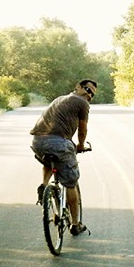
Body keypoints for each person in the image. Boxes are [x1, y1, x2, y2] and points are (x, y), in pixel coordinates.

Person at [30, 79, 97, 235]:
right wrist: (80, 145)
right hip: (59, 142)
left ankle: (45, 184)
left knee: (50, 158)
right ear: (78, 87)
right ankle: (75, 224)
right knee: (70, 182)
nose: (89, 95)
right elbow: (83, 129)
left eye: (92, 94)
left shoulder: (59, 99)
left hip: (38, 141)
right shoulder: (82, 103)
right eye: (87, 89)